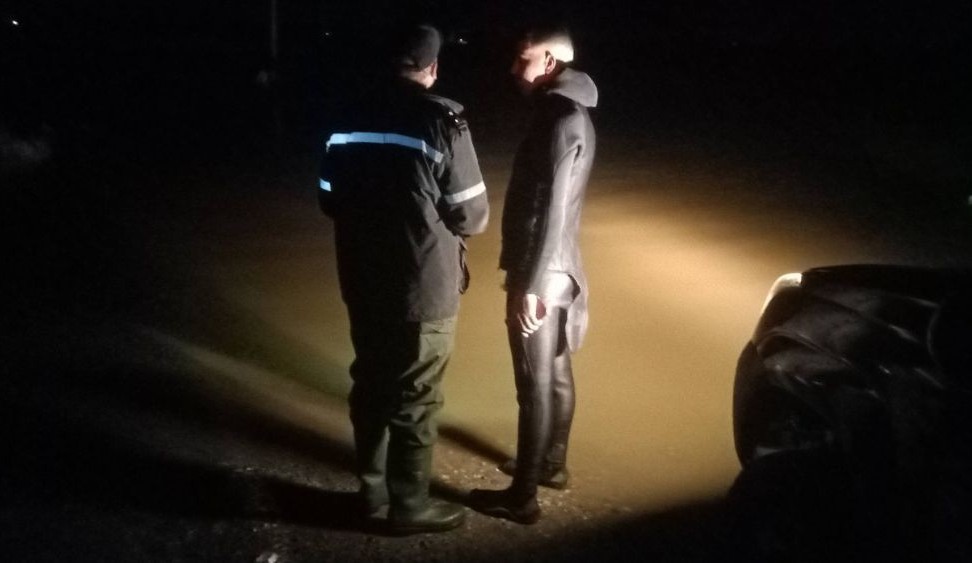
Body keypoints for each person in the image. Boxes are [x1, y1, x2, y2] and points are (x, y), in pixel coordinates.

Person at [317, 23, 489, 535]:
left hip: (361, 279)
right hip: (422, 287)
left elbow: (328, 196)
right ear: (431, 69)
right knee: (417, 395)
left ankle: (370, 493)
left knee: (369, 384)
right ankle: (410, 505)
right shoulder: (443, 121)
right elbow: (472, 216)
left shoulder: (344, 117)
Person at [469, 25, 597, 524]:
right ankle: (550, 465)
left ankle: (522, 496)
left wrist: (532, 285)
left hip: (544, 268)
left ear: (547, 61)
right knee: (558, 374)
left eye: (521, 58)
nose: (512, 68)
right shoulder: (566, 113)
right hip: (563, 265)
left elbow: (554, 211)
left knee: (533, 381)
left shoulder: (562, 120)